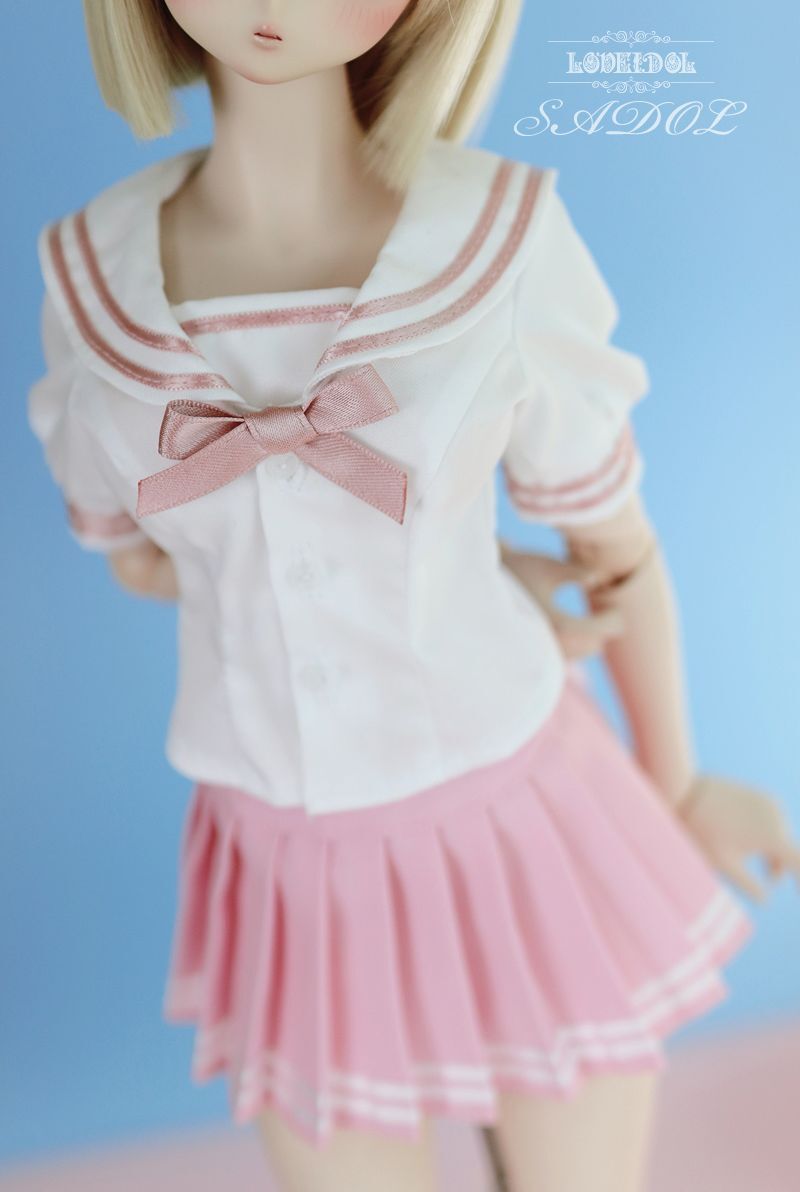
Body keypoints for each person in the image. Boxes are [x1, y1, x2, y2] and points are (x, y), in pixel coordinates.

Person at [28, 2, 800, 1189]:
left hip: (518, 815)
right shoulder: (95, 284)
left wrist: (678, 781)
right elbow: (148, 557)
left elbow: (613, 546)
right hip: (289, 865)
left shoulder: (493, 241)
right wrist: (445, 565)